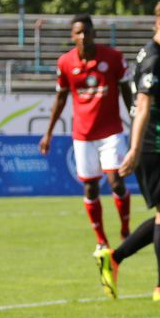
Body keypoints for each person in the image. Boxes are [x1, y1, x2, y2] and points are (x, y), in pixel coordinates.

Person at [95, 0, 160, 302]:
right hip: (151, 147)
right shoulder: (153, 58)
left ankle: (117, 259)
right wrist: (135, 150)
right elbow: (143, 106)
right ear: (158, 22)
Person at [39, 14, 132, 252]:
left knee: (115, 182)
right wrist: (48, 133)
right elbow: (60, 98)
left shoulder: (113, 58)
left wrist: (135, 119)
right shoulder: (65, 63)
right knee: (90, 187)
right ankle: (101, 240)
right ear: (72, 36)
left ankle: (125, 229)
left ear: (94, 34)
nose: (83, 37)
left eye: (86, 32)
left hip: (111, 132)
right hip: (83, 135)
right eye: (78, 33)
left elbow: (126, 92)